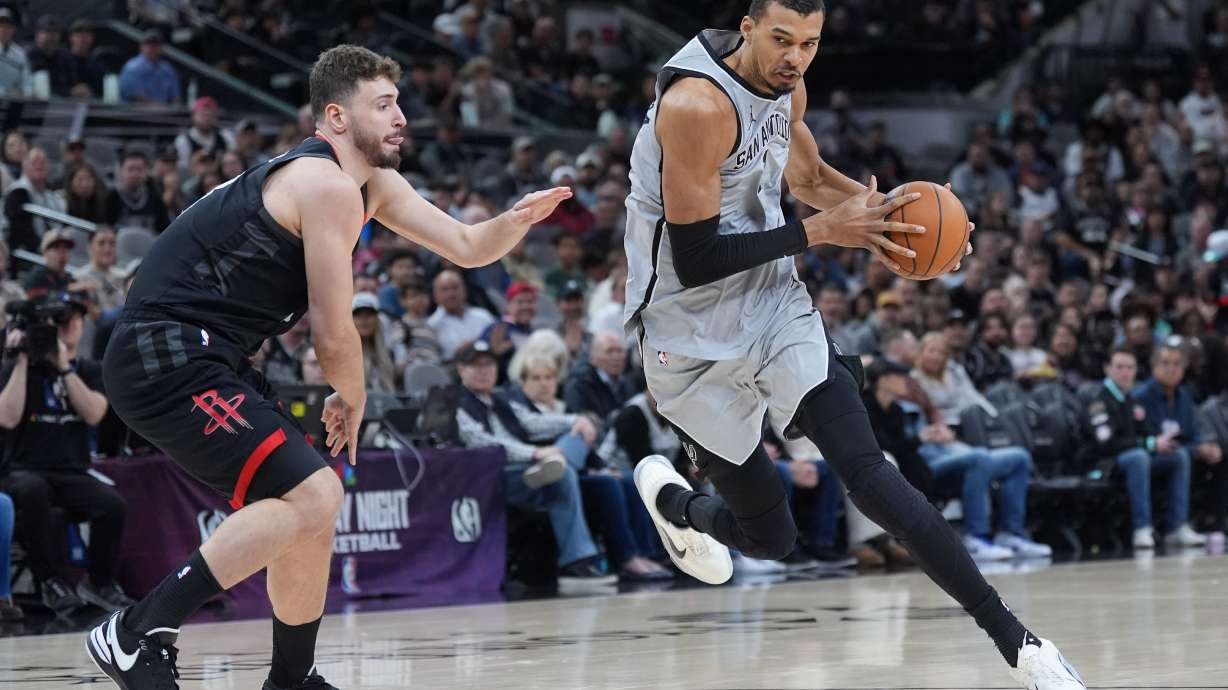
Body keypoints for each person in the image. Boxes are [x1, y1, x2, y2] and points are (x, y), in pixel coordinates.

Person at [622, 3, 1082, 688]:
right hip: (686, 337)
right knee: (771, 539)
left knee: (869, 472)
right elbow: (695, 259)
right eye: (782, 39)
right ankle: (675, 504)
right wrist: (822, 232)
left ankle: (1021, 645)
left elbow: (808, 181)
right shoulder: (696, 105)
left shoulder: (787, 84)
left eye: (809, 43)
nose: (795, 58)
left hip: (773, 306)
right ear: (747, 28)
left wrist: (903, 223)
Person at [88, 45, 569, 690]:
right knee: (316, 493)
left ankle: (293, 678)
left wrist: (515, 219)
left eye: (399, 103)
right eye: (384, 104)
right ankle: (136, 631)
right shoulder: (323, 185)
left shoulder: (369, 184)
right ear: (337, 117)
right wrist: (353, 396)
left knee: (311, 506)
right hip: (164, 353)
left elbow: (467, 246)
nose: (401, 117)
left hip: (207, 354)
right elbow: (332, 328)